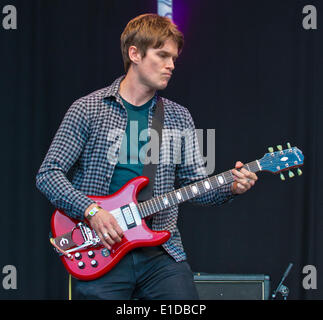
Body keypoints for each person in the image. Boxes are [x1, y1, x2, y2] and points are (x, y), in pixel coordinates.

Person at [36, 13, 258, 300]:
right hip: (100, 248)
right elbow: (48, 173)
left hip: (160, 254)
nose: (171, 65)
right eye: (163, 55)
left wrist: (231, 187)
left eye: (174, 58)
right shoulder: (88, 109)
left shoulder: (179, 117)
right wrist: (92, 211)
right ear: (135, 54)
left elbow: (197, 187)